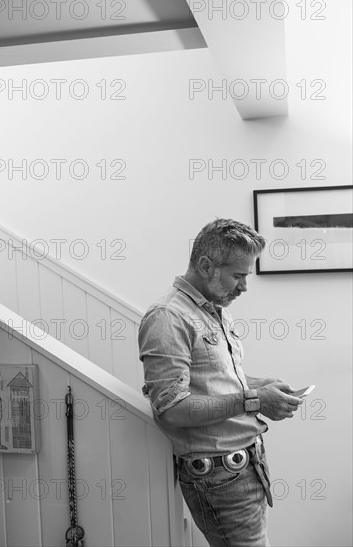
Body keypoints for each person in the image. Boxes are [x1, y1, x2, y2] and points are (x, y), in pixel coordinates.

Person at [138, 218, 303, 547]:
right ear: (205, 265)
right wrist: (255, 399)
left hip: (245, 467)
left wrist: (258, 384)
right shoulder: (167, 318)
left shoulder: (214, 309)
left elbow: (212, 380)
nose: (244, 287)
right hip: (220, 478)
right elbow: (172, 409)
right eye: (238, 276)